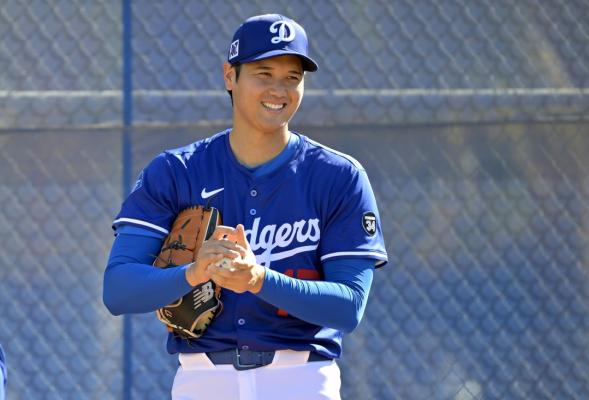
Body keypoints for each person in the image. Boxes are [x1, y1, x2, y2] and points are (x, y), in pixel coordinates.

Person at [103, 13, 387, 400]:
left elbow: (349, 306)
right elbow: (118, 289)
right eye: (263, 73)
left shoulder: (338, 176)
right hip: (204, 380)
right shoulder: (177, 171)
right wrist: (193, 272)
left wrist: (258, 280)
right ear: (229, 76)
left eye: (292, 77)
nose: (279, 89)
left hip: (303, 379)